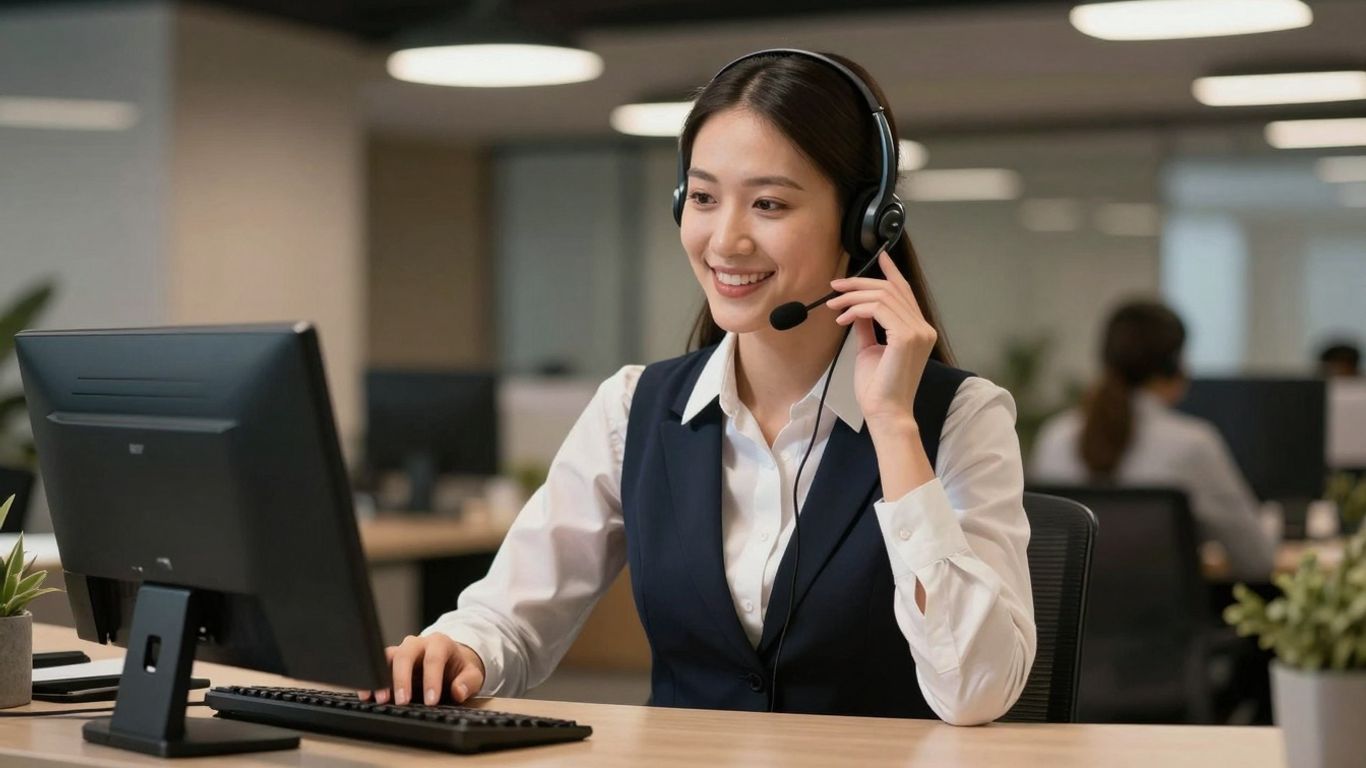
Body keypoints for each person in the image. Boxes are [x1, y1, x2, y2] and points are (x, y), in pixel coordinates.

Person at [361, 50, 1036, 726]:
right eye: (705, 198)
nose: (726, 239)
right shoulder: (635, 409)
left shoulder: (958, 418)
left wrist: (892, 427)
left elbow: (976, 691)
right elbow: (510, 615)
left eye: (769, 203)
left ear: (862, 223)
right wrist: (461, 648)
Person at [1030, 300, 1275, 580]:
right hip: (1165, 623)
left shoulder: (1054, 437)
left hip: (1071, 624)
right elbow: (1257, 560)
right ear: (1174, 365)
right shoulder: (1193, 445)